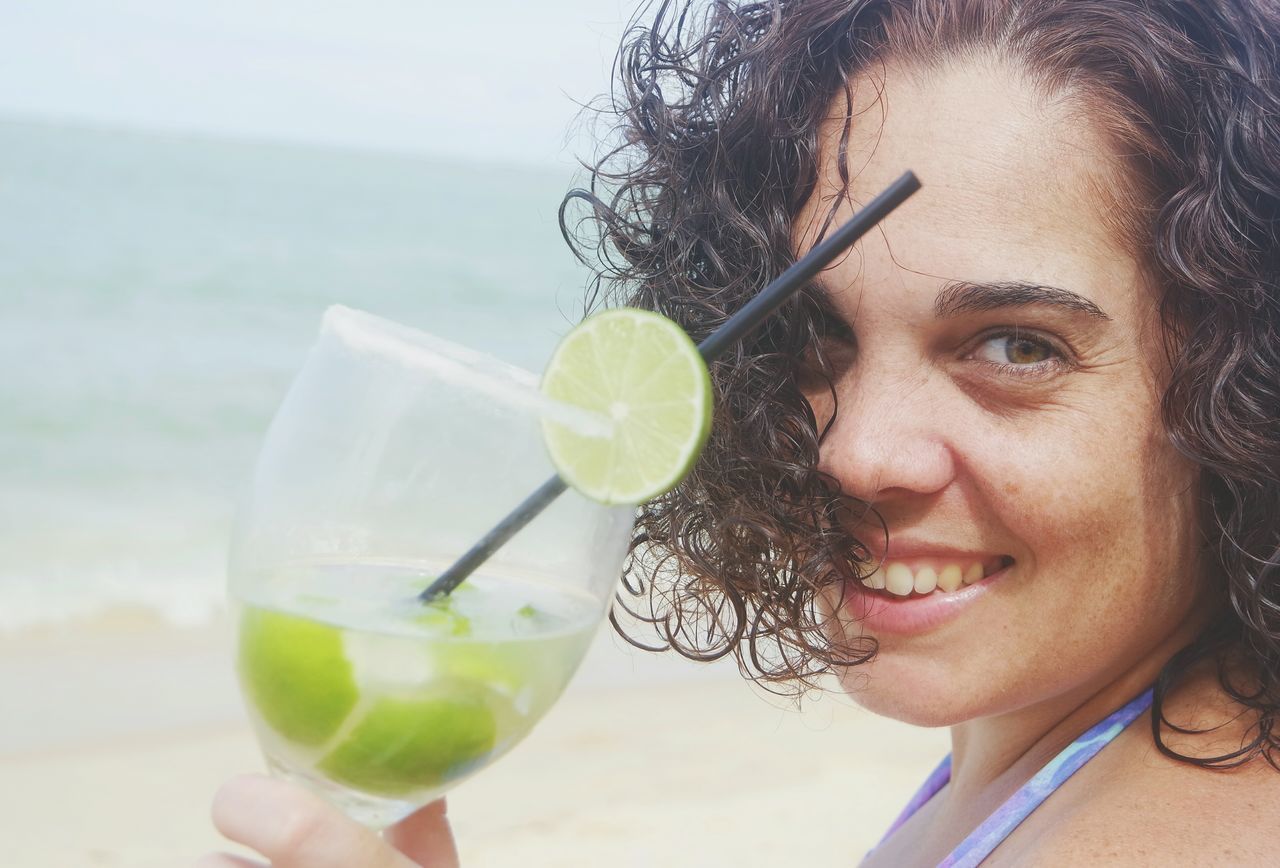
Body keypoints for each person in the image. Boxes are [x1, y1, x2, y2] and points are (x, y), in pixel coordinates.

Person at [197, 0, 1280, 864]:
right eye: (814, 338)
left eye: (1014, 347)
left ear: (1240, 380)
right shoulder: (1071, 746)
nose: (856, 452)